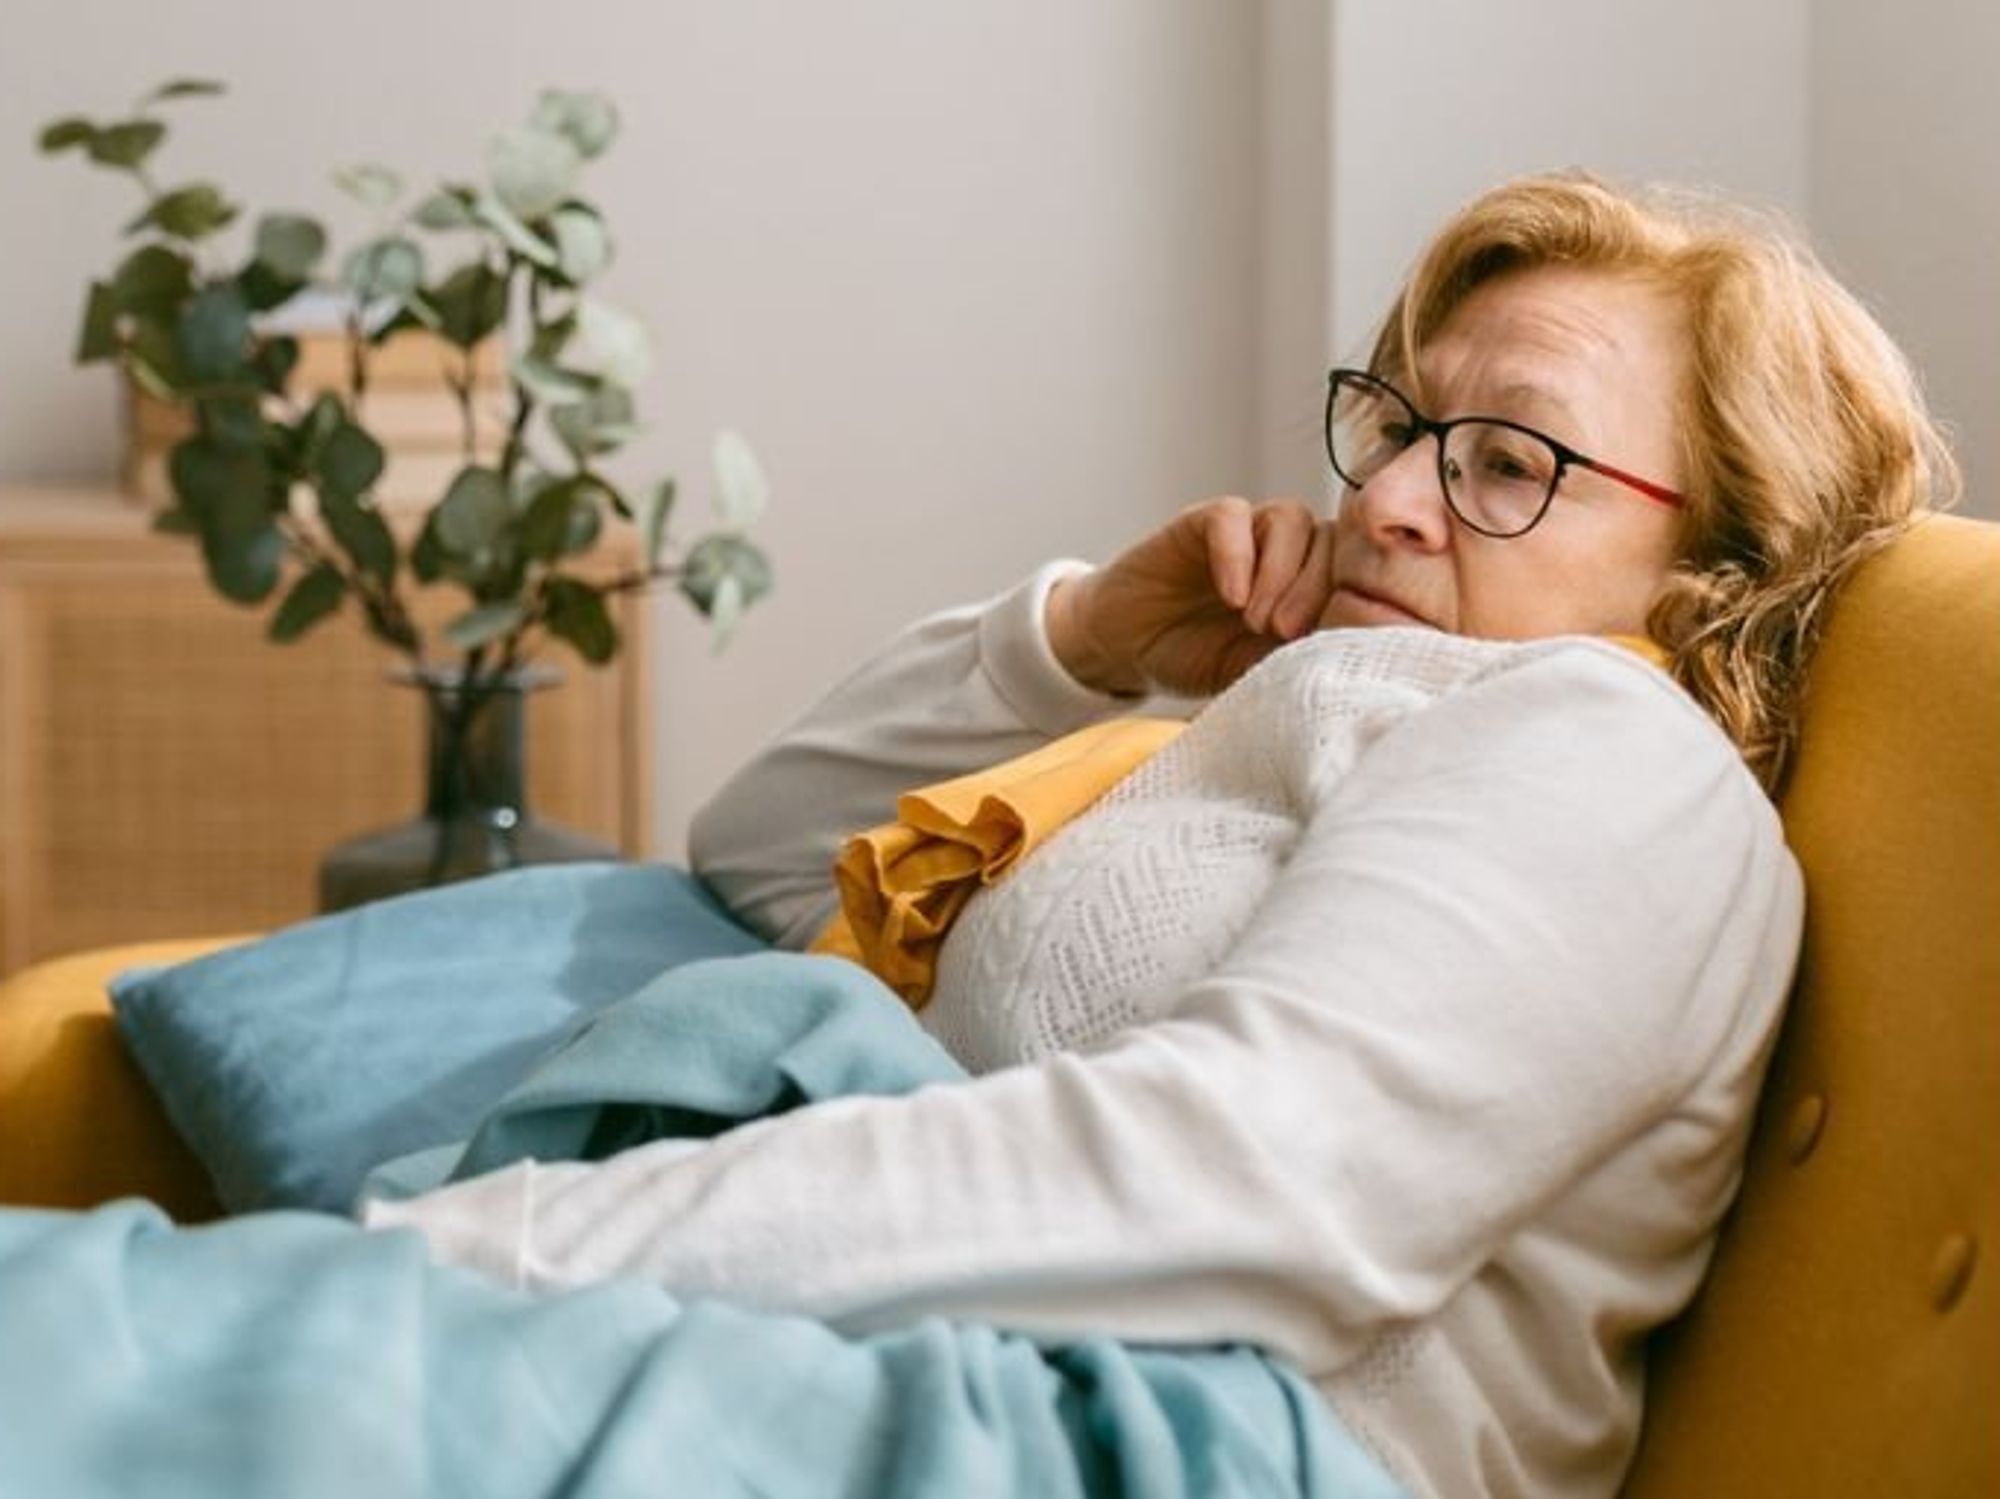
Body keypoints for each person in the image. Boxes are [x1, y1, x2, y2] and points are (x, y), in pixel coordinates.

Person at [375, 173, 1957, 1498]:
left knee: (162, 1344)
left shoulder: (1608, 753)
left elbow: (1253, 1182)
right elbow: (762, 852)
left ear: (1721, 570)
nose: (1390, 497)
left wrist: (483, 1258)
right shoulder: (1279, 731)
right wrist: (1087, 632)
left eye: (1504, 466)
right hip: (905, 1368)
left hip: (1133, 1446)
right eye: (1402, 426)